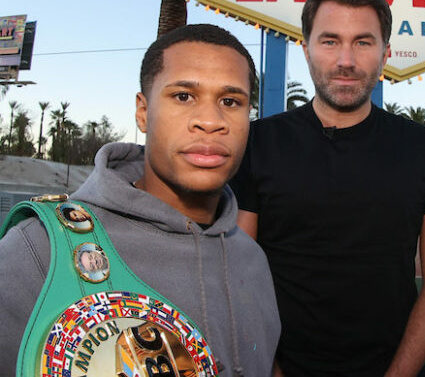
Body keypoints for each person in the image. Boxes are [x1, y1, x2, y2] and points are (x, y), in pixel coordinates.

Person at [0, 24, 280, 375]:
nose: (210, 121)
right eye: (183, 96)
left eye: (230, 101)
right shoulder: (39, 252)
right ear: (143, 112)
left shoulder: (252, 258)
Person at [231, 0, 425, 376]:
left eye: (363, 42)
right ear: (306, 50)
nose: (346, 60)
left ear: (385, 53)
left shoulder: (423, 148)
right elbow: (237, 271)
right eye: (330, 40)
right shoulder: (258, 143)